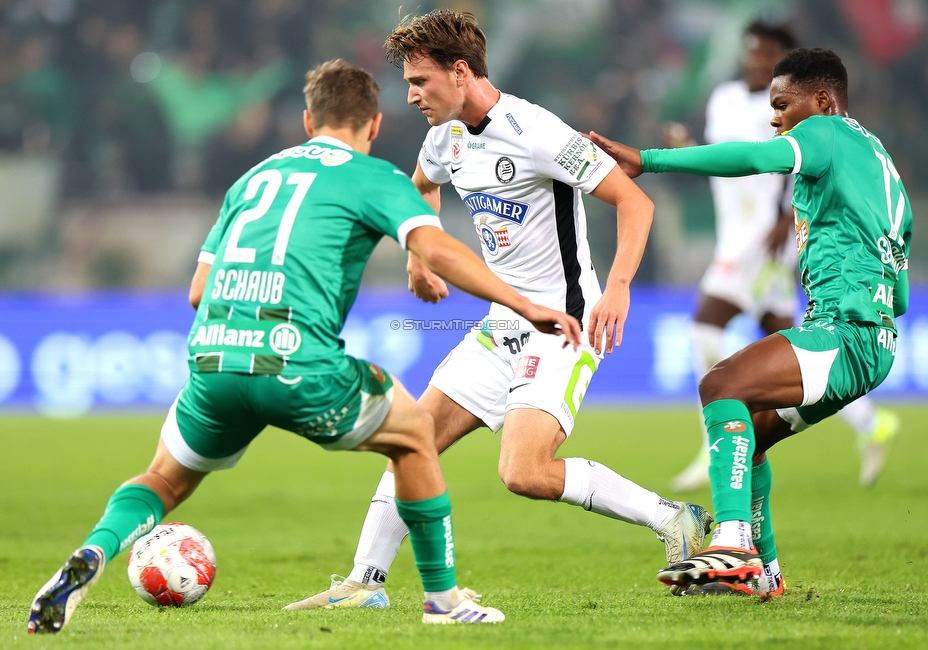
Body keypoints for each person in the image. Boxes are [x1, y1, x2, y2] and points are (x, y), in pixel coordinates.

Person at [26, 59, 589, 633]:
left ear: (306, 120)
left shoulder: (253, 180)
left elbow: (199, 291)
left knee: (163, 480)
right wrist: (525, 303)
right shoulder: (375, 178)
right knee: (416, 433)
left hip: (214, 361)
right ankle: (443, 600)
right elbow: (437, 249)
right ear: (373, 125)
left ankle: (95, 550)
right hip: (296, 362)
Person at [286, 10, 711, 612]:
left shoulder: (536, 131)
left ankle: (675, 520)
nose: (411, 97)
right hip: (499, 327)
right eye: (408, 84)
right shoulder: (446, 137)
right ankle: (364, 584)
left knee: (525, 472)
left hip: (563, 322)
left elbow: (634, 201)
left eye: (421, 81)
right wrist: (418, 257)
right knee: (411, 440)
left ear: (460, 72)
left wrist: (618, 287)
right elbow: (422, 185)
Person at [589, 47, 911, 596]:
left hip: (843, 331)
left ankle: (733, 542)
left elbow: (755, 158)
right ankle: (765, 571)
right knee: (750, 436)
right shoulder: (876, 158)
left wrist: (652, 159)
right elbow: (899, 276)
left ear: (823, 100)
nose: (776, 117)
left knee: (720, 385)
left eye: (784, 104)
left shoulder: (826, 132)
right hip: (874, 336)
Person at [669, 22, 899, 493]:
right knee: (790, 344)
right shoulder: (726, 99)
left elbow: (766, 161)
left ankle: (718, 430)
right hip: (732, 235)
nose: (756, 61)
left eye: (767, 54)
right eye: (751, 52)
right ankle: (868, 423)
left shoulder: (808, 119)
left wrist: (782, 217)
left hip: (764, 242)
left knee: (708, 334)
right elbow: (724, 157)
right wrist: (687, 151)